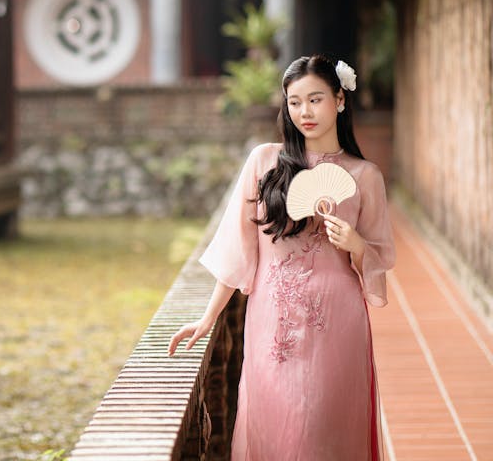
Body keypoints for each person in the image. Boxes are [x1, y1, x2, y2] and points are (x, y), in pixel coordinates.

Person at [168, 55, 395, 460]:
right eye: (294, 102)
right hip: (272, 321)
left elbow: (378, 262)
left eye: (316, 99)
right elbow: (241, 248)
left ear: (340, 100)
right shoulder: (264, 162)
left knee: (325, 431)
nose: (304, 112)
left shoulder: (365, 176)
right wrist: (208, 317)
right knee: (275, 426)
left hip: (337, 320)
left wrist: (356, 244)